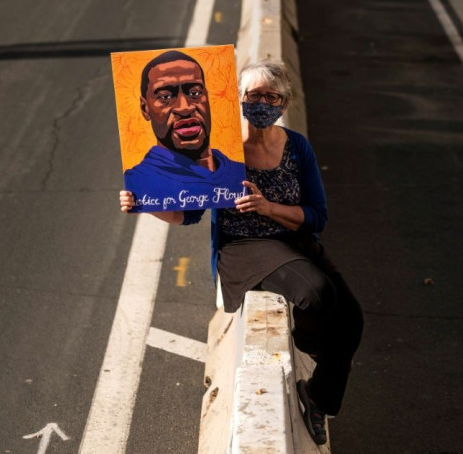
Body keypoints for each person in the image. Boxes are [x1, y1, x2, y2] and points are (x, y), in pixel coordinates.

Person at [119, 60, 363, 445]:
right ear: (237, 98)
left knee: (352, 320)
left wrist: (269, 208)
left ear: (283, 103)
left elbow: (317, 216)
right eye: (253, 95)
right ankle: (310, 345)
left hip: (293, 240)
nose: (262, 103)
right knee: (315, 295)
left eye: (272, 96)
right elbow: (189, 212)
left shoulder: (296, 147)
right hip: (245, 249)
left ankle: (318, 397)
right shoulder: (220, 150)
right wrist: (143, 202)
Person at [124, 50, 246, 212]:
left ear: (207, 98)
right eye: (165, 97)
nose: (185, 107)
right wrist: (134, 203)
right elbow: (184, 217)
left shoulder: (240, 174)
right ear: (145, 108)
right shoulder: (139, 183)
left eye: (195, 93)